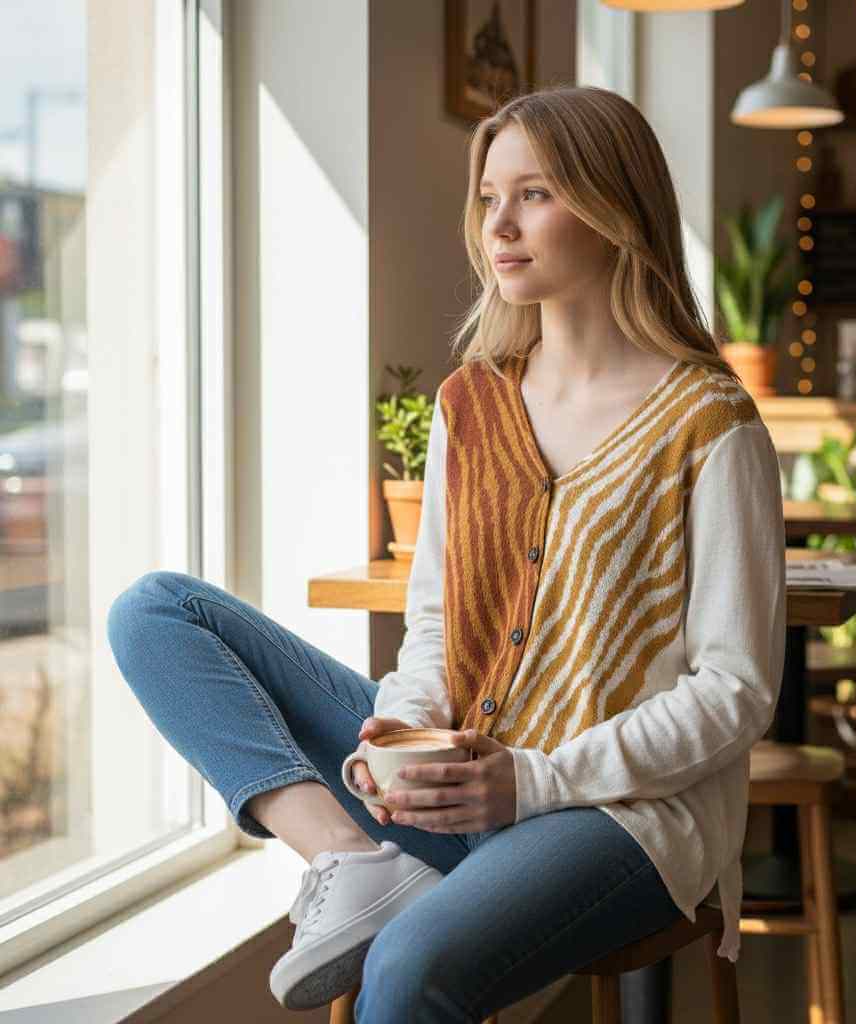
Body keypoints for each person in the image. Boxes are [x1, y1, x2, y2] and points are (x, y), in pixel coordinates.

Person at [106, 84, 786, 1020]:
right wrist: (400, 735)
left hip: (614, 813)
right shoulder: (471, 403)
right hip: (459, 778)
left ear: (615, 207)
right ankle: (351, 865)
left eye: (535, 194)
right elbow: (433, 619)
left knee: (408, 972)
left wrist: (534, 780)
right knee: (157, 610)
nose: (499, 225)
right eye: (489, 196)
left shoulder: (712, 422)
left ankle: (397, 889)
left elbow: (736, 690)